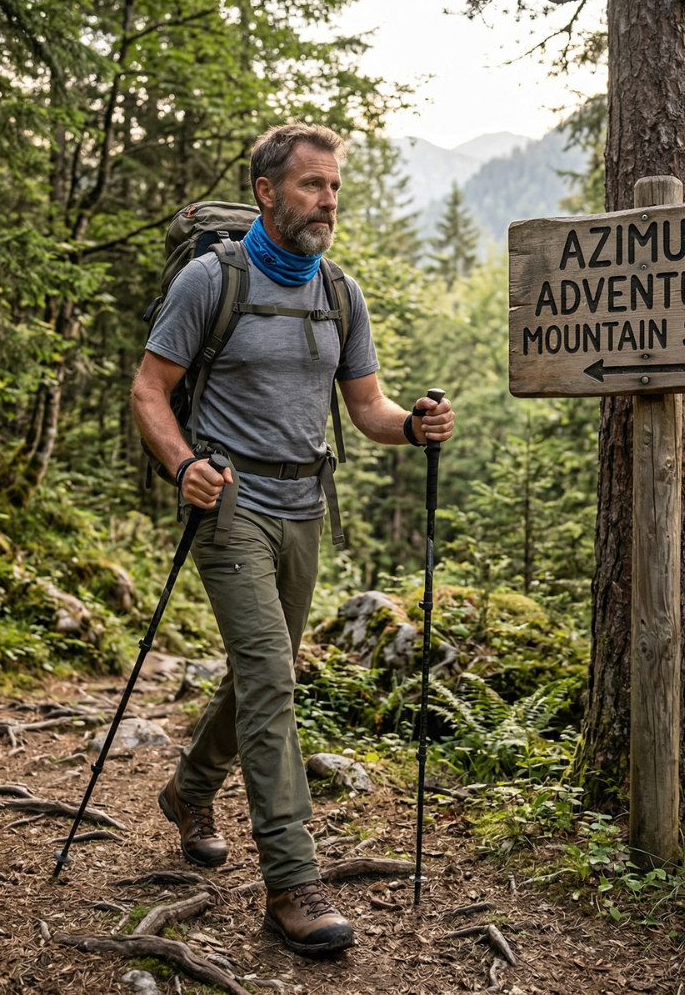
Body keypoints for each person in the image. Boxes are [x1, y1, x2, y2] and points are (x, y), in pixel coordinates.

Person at [131, 124, 455, 957]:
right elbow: (150, 392)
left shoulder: (340, 293)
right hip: (229, 500)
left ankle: (189, 790)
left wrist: (414, 429)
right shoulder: (211, 282)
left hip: (305, 502)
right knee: (272, 676)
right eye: (312, 185)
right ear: (268, 191)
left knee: (262, 672)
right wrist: (183, 467)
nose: (328, 201)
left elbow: (367, 410)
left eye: (335, 186)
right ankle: (292, 881)